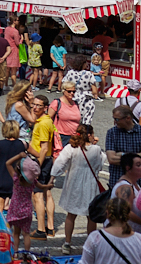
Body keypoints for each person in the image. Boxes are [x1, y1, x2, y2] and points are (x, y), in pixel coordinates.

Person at [52, 123, 104, 254]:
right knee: (91, 215)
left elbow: (60, 163)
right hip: (90, 182)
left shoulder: (71, 147)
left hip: (74, 182)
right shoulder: (96, 149)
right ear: (90, 135)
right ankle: (91, 244)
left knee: (71, 214)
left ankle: (67, 243)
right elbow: (99, 165)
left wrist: (52, 177)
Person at [28, 94, 58, 239]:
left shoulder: (43, 123)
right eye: (33, 104)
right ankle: (50, 227)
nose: (35, 107)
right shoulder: (46, 120)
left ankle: (41, 230)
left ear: (45, 108)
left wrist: (36, 167)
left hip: (41, 160)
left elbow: (44, 147)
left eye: (38, 105)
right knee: (47, 192)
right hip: (47, 160)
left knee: (37, 195)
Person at [105, 103, 141, 188]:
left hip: (139, 182)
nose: (114, 122)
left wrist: (122, 155)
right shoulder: (111, 133)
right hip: (117, 181)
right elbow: (112, 159)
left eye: (117, 119)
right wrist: (139, 157)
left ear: (128, 118)